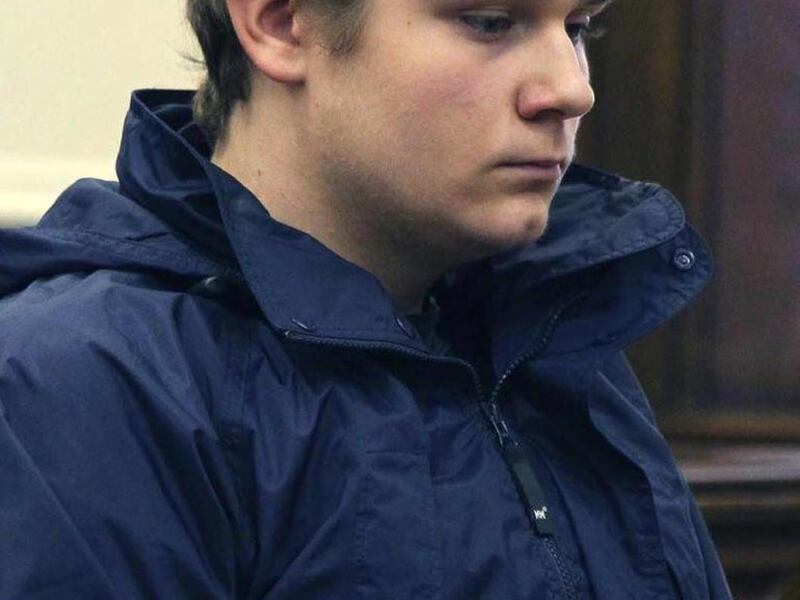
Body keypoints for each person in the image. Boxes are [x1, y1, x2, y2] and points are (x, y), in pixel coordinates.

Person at [0, 0, 732, 598]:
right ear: (282, 23)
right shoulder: (86, 384)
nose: (572, 89)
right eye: (490, 22)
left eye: (578, 27)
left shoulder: (557, 349)